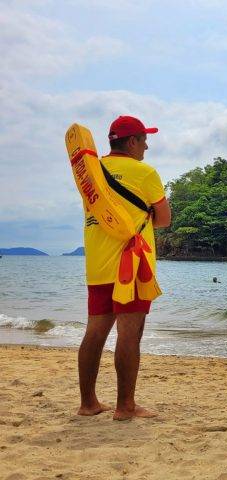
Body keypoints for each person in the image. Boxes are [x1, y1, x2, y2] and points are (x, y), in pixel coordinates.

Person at [77, 116, 172, 420]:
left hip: (97, 262)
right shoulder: (145, 173)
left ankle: (88, 403)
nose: (147, 145)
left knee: (95, 331)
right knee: (130, 333)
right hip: (131, 266)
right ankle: (125, 406)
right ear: (131, 142)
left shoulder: (91, 173)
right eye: (144, 139)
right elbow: (164, 219)